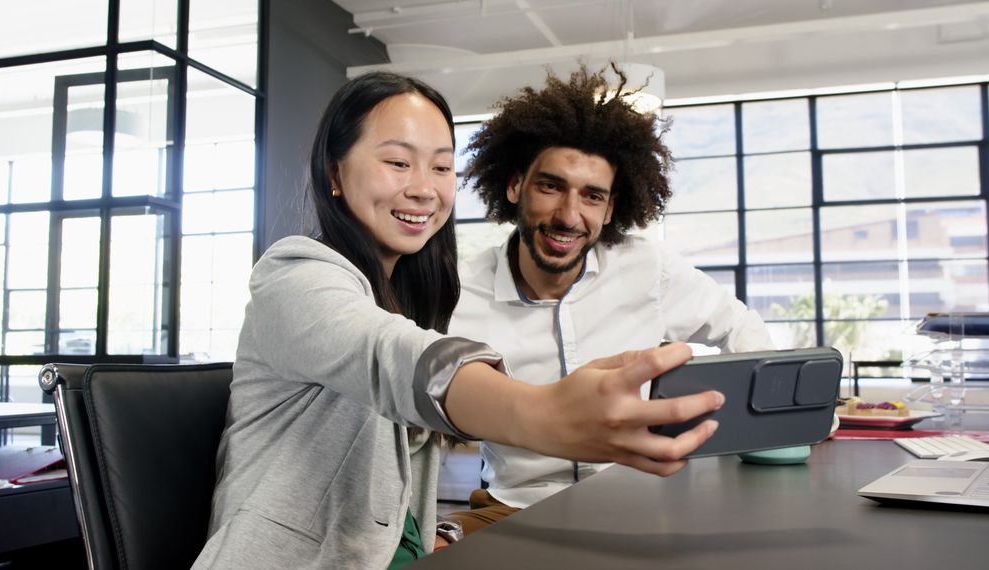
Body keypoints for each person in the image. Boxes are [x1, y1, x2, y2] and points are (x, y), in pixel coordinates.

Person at [192, 71, 726, 569]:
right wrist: (545, 411)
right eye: (398, 163)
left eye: (442, 167)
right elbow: (390, 356)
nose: (425, 188)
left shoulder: (412, 295)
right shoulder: (295, 276)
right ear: (335, 173)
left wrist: (442, 533)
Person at [446, 63, 775, 534]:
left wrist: (770, 426)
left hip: (644, 502)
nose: (569, 215)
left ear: (611, 208)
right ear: (516, 186)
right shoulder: (458, 296)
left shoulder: (648, 269)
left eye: (592, 196)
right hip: (514, 509)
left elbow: (737, 326)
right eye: (551, 186)